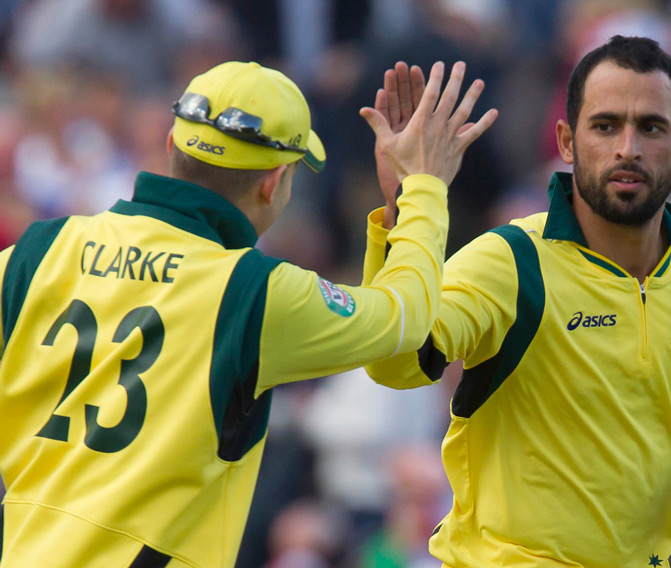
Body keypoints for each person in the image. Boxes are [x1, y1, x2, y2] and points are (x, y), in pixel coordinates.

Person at [0, 59, 496, 567]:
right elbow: (406, 319)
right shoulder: (255, 292)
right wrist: (422, 189)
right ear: (274, 180)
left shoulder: (34, 252)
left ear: (173, 145)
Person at [365, 36, 671, 566]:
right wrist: (403, 215)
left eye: (650, 127)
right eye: (605, 126)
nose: (627, 147)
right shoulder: (512, 261)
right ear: (565, 141)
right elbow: (393, 361)